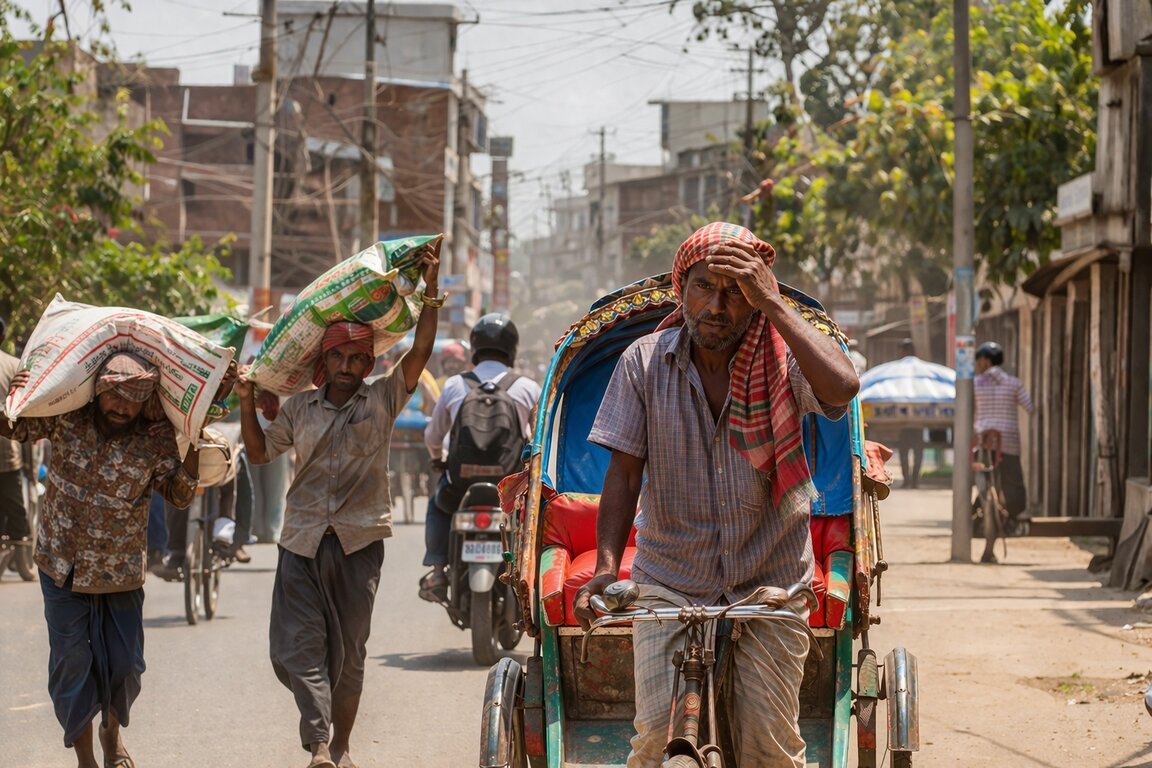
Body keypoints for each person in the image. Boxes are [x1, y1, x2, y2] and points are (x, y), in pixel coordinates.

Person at [572, 221, 859, 768]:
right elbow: (624, 476)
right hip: (671, 580)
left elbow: (843, 387)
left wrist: (774, 304)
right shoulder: (643, 361)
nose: (718, 306)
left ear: (753, 300)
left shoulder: (781, 359)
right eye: (704, 287)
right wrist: (606, 572)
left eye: (736, 292)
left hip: (768, 583)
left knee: (769, 750)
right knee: (654, 741)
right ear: (683, 290)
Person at [235, 248, 442, 768]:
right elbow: (259, 455)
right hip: (300, 543)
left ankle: (340, 748)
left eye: (356, 359)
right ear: (321, 363)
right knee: (297, 649)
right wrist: (244, 402)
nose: (347, 367)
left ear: (368, 364)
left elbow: (419, 350)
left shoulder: (382, 400)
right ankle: (321, 745)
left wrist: (432, 292)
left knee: (349, 656)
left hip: (359, 543)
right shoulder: (299, 409)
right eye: (337, 358)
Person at [0, 351, 230, 768]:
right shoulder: (68, 415)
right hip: (60, 565)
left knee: (125, 667)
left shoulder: (156, 436)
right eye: (115, 397)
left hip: (120, 572)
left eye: (134, 399)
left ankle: (112, 733)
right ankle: (87, 758)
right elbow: (13, 426)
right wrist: (14, 396)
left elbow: (178, 494)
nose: (122, 407)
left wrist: (194, 437)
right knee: (72, 665)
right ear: (99, 390)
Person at [418, 313, 540, 602]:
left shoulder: (453, 385)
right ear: (512, 348)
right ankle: (532, 574)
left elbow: (433, 437)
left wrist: (438, 459)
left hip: (461, 484)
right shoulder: (527, 387)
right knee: (536, 516)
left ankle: (437, 571)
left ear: (474, 347)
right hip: (510, 488)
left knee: (437, 505)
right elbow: (540, 440)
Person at [974, 341, 1034, 528]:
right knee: (1013, 481)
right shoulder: (1013, 383)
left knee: (981, 475)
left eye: (978, 361)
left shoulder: (975, 384)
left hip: (983, 440)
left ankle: (977, 507)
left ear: (985, 360)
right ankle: (1013, 516)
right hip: (1008, 441)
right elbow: (1030, 408)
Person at [0, 316, 31, 548]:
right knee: (17, 515)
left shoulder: (14, 366)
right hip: (7, 453)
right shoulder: (14, 365)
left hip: (8, 453)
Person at [895, 338, 925, 489]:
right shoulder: (921, 368)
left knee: (905, 452)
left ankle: (909, 480)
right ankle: (913, 481)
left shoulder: (900, 368)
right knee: (916, 452)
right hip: (918, 420)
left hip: (904, 419)